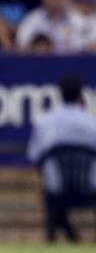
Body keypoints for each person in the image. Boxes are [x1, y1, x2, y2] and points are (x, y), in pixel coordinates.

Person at [27, 75, 96, 242]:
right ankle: (73, 239)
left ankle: (66, 238)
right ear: (81, 96)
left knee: (53, 194)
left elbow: (34, 156)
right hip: (90, 187)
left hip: (56, 188)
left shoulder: (44, 122)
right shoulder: (92, 123)